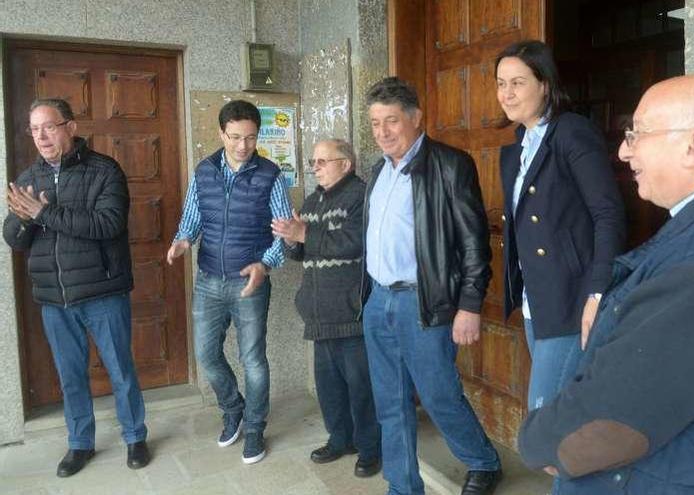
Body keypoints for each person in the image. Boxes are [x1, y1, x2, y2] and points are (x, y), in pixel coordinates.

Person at [517, 74, 694, 494]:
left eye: (637, 134)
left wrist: (535, 441)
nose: (623, 151)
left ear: (693, 146)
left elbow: (607, 423)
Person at [361, 77, 503, 495]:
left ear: (416, 118)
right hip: (378, 300)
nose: (383, 132)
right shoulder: (378, 171)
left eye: (391, 121)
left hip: (424, 302)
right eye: (374, 123)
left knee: (438, 394)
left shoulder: (449, 165)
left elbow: (474, 242)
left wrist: (470, 304)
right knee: (389, 401)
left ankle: (483, 461)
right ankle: (402, 486)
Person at [4, 98, 150, 477]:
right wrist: (24, 220)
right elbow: (14, 239)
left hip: (102, 290)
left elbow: (108, 224)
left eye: (48, 126)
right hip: (55, 299)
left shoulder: (105, 171)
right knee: (70, 376)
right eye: (34, 129)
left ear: (70, 127)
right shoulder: (27, 179)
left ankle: (135, 436)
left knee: (120, 370)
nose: (41, 136)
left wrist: (42, 212)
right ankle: (80, 443)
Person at [495, 40, 625, 413]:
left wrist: (597, 291)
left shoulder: (570, 132)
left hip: (571, 300)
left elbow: (608, 214)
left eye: (517, 82)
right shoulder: (521, 143)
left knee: (547, 421)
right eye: (501, 83)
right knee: (561, 417)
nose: (507, 93)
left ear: (545, 85)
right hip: (537, 299)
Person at [166, 99, 292, 465]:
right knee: (206, 355)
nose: (242, 146)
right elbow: (192, 216)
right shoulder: (204, 171)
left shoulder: (270, 174)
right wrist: (183, 239)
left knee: (252, 358)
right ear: (221, 133)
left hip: (249, 280)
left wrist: (265, 265)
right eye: (235, 137)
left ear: (258, 135)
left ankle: (254, 427)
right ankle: (233, 408)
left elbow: (283, 231)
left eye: (250, 138)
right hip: (208, 279)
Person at [272, 138, 381, 478]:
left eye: (322, 161)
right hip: (319, 312)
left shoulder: (362, 196)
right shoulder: (314, 200)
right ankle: (339, 439)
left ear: (346, 164)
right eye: (313, 162)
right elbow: (303, 251)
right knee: (329, 386)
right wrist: (291, 240)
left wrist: (305, 235)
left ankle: (370, 447)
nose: (315, 167)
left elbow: (356, 243)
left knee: (361, 387)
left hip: (351, 310)